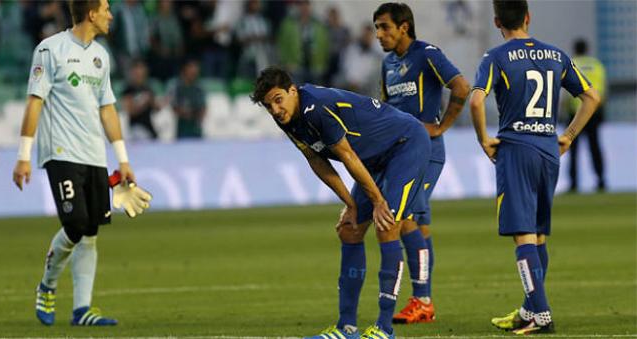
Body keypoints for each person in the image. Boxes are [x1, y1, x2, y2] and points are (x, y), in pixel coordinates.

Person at [251, 67, 431, 339]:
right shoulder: (286, 119)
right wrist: (350, 203)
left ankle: (384, 328)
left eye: (278, 100)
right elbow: (316, 160)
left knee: (387, 224)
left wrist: (378, 201)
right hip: (373, 160)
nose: (275, 110)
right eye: (268, 106)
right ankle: (346, 328)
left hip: (405, 145)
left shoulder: (316, 108)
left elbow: (347, 156)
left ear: (292, 90)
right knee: (349, 229)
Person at [469, 0, 600, 334]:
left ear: (497, 21)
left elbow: (475, 100)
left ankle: (541, 315)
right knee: (539, 235)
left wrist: (484, 139)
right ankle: (530, 308)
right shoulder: (556, 55)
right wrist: (568, 135)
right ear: (528, 17)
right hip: (548, 149)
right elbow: (591, 97)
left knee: (523, 234)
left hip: (516, 149)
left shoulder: (495, 57)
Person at [12, 0, 139, 326]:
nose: (111, 15)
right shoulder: (50, 49)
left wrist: (122, 159)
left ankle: (82, 310)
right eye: (107, 8)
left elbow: (107, 109)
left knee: (91, 230)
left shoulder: (101, 56)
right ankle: (47, 285)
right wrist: (23, 156)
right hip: (61, 150)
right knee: (76, 224)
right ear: (91, 13)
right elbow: (34, 101)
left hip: (94, 155)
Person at [373, 2, 470, 324]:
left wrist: (441, 126)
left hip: (425, 151)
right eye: (376, 28)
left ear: (404, 27)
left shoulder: (427, 53)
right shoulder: (388, 63)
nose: (379, 34)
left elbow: (461, 86)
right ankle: (423, 303)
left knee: (405, 220)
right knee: (419, 224)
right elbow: (386, 109)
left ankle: (422, 300)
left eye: (385, 27)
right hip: (397, 154)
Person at [566, 38, 607, 192]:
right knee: (595, 147)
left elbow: (565, 93)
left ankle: (573, 183)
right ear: (587, 49)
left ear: (575, 49)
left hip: (576, 113)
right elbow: (603, 91)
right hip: (594, 113)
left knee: (573, 149)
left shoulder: (571, 63)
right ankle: (601, 180)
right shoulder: (597, 65)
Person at [167, 59, 207, 139]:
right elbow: (175, 107)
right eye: (191, 71)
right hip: (182, 128)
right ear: (184, 71)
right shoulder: (177, 87)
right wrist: (185, 112)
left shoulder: (199, 88)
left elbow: (203, 109)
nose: (194, 74)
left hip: (196, 128)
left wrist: (194, 113)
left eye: (195, 73)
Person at [122, 59, 159, 141]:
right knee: (141, 135)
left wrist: (156, 102)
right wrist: (143, 102)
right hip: (136, 128)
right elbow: (129, 110)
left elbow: (156, 108)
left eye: (142, 69)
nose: (140, 72)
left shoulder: (148, 88)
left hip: (149, 127)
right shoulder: (128, 90)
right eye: (137, 69)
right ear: (133, 72)